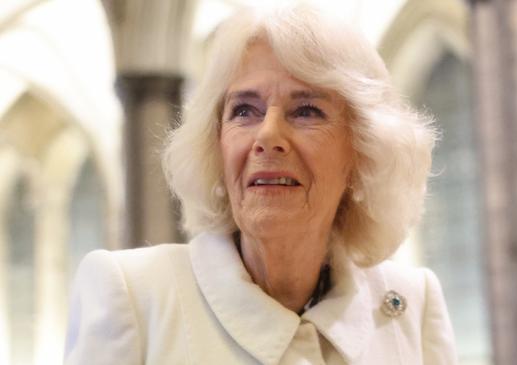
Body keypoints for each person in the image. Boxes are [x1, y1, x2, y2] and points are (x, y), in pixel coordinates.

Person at [64, 3, 457, 364]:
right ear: (215, 144)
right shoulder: (133, 294)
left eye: (306, 110)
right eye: (244, 110)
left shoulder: (411, 304)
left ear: (364, 150)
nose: (267, 135)